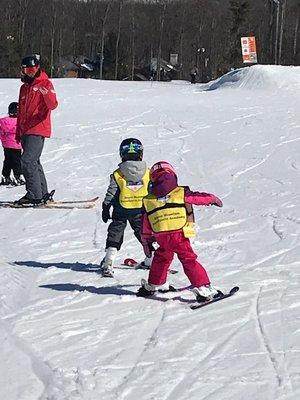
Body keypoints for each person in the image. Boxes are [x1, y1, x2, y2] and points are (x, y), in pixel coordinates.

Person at [137, 161, 223, 302]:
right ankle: (203, 289)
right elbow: (196, 198)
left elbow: (145, 224)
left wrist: (146, 243)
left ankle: (153, 285)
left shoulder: (148, 200)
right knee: (188, 258)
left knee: (161, 257)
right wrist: (212, 199)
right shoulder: (180, 192)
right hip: (179, 234)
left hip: (161, 235)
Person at [101, 138, 152, 277]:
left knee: (115, 232)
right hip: (141, 210)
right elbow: (152, 190)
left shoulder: (118, 174)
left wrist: (106, 207)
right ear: (141, 154)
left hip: (121, 209)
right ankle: (151, 259)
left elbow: (111, 192)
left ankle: (108, 261)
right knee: (143, 234)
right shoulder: (148, 172)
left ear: (121, 155)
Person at [15, 54, 58, 205]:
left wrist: (46, 95)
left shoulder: (45, 83)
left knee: (27, 161)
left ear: (38, 68)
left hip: (38, 128)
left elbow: (53, 105)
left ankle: (34, 195)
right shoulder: (24, 88)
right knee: (34, 162)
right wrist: (18, 132)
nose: (30, 72)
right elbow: (21, 112)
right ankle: (43, 193)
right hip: (26, 130)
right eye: (27, 69)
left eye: (33, 69)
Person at [0, 102, 25, 186]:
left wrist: (4, 141)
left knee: (7, 160)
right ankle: (17, 176)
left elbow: (1, 133)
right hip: (16, 145)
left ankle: (5, 176)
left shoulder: (3, 121)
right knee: (17, 161)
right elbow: (22, 132)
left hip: (6, 145)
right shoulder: (20, 121)